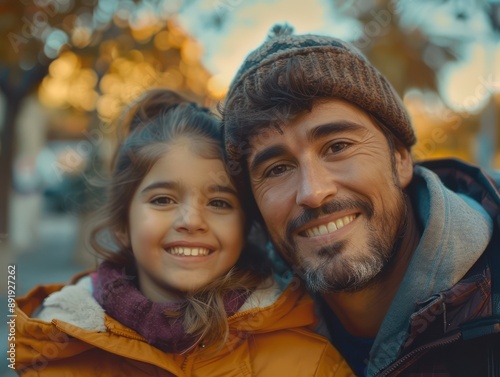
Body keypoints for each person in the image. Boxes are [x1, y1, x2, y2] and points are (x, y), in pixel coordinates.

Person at [222, 24, 500, 376]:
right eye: (277, 169)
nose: (313, 191)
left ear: (399, 159)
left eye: (337, 147)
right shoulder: (230, 334)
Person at [15, 89, 354, 376]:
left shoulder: (311, 365)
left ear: (246, 226)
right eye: (163, 199)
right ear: (122, 225)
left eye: (220, 203)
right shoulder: (55, 352)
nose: (191, 220)